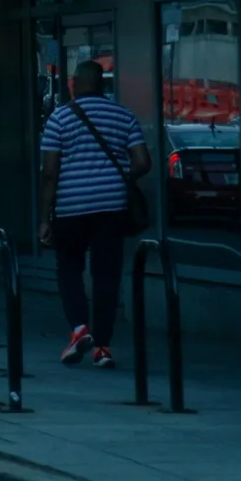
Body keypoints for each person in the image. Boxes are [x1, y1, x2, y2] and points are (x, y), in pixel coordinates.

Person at [38, 60, 149, 368]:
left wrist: (45, 217)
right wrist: (119, 177)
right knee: (106, 275)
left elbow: (49, 172)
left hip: (71, 205)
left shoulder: (59, 118)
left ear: (74, 83)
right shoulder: (123, 115)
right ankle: (103, 347)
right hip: (111, 205)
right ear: (102, 84)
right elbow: (143, 161)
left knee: (69, 267)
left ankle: (79, 329)